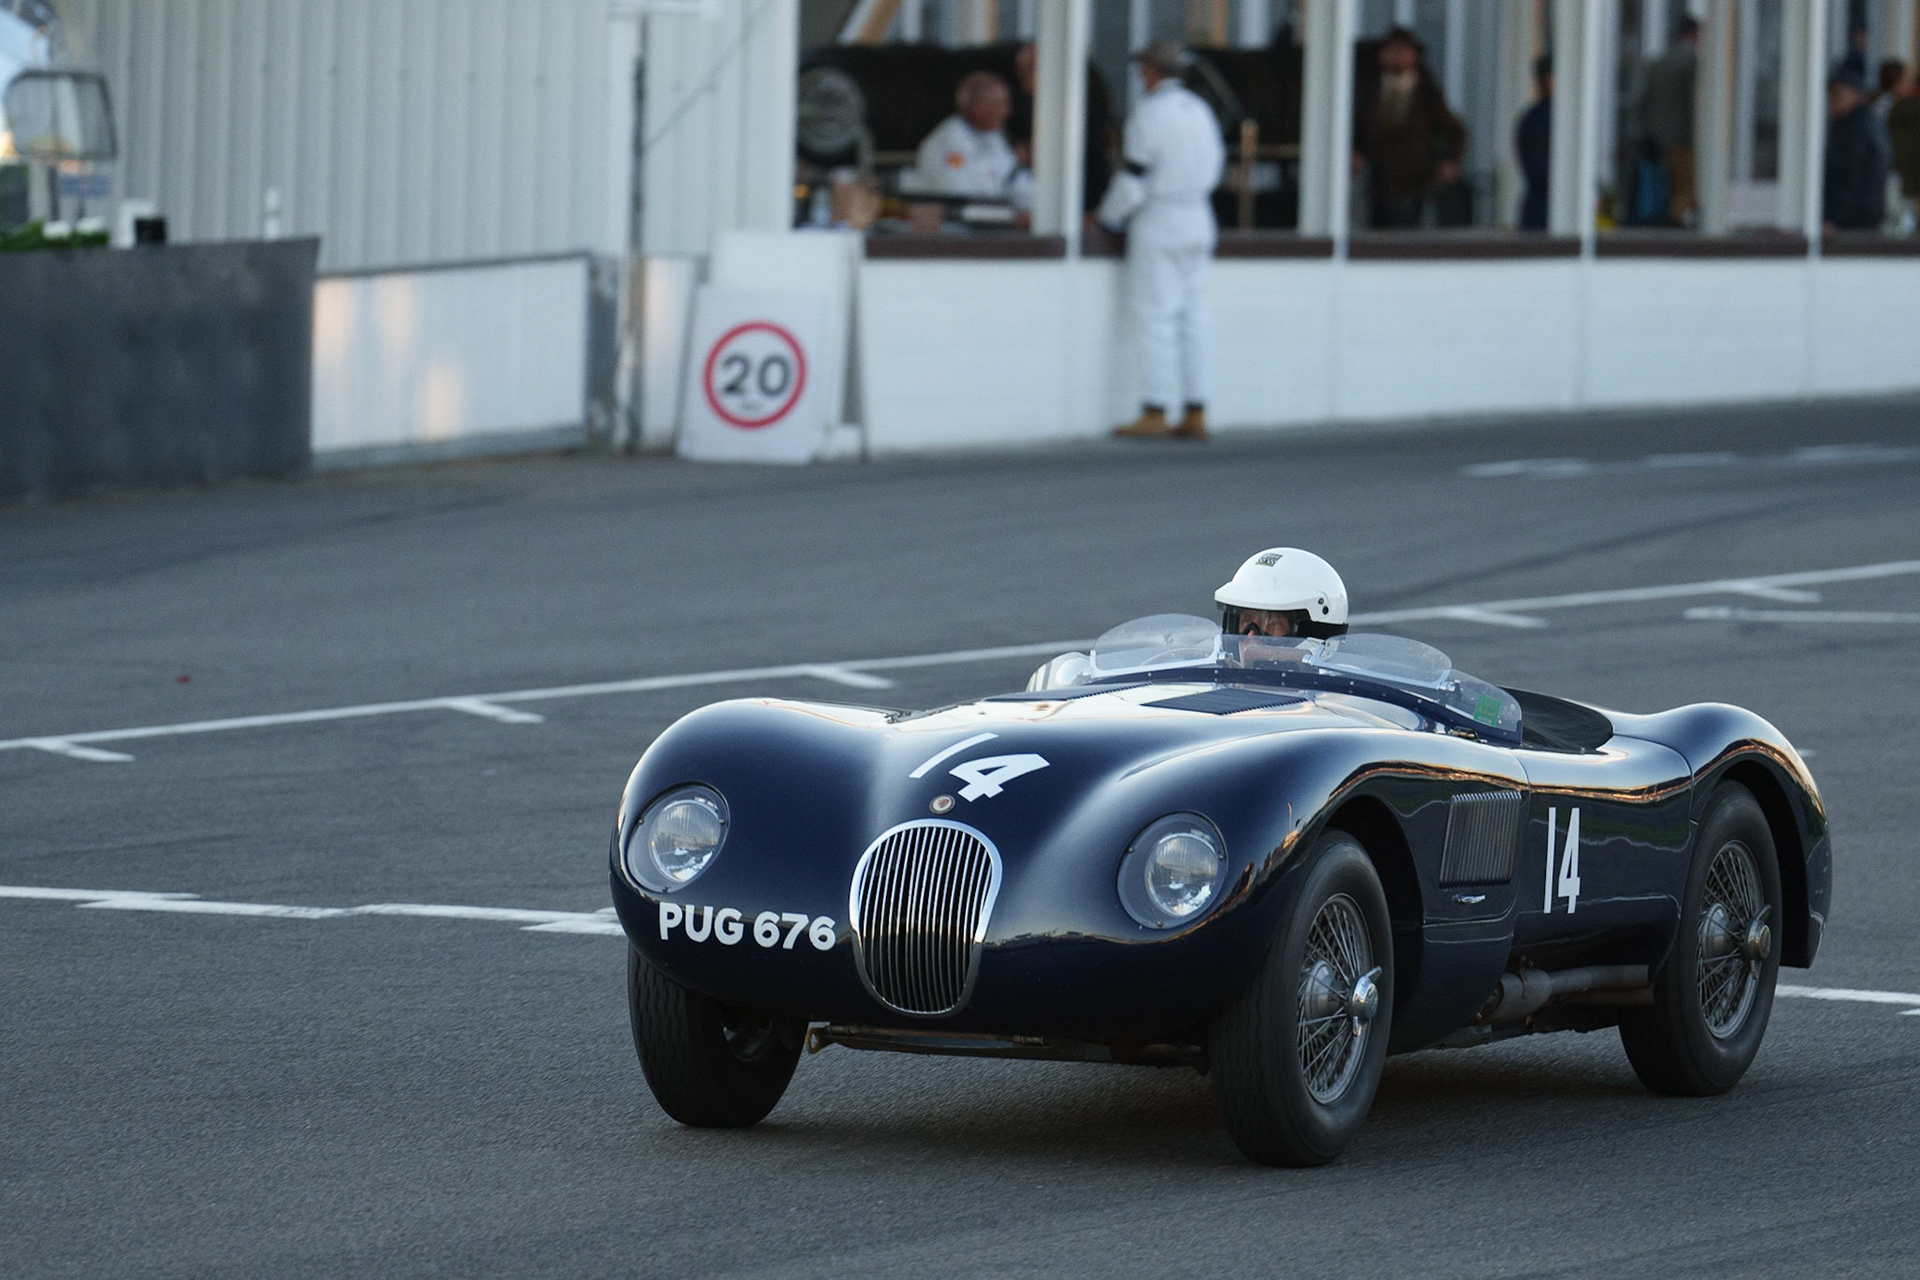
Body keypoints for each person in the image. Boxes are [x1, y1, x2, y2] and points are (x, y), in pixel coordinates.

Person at [1098, 38, 1226, 442]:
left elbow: (1134, 180)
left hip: (1161, 217)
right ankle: (1196, 408)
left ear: (1152, 70)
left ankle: (1155, 408)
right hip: (1199, 216)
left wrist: (1107, 217)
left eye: (1144, 68)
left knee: (1157, 316)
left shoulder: (1149, 113)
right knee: (1194, 316)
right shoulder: (1200, 110)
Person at [1351, 27, 1466, 230]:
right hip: (1376, 180)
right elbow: (1355, 126)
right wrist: (1355, 151)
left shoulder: (1426, 92)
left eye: (1403, 51)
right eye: (1391, 50)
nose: (1397, 56)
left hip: (1413, 181)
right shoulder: (1367, 89)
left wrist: (1451, 161)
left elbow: (1455, 130)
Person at [909, 71, 1021, 204]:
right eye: (998, 103)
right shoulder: (950, 140)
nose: (1006, 111)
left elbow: (1013, 180)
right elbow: (959, 197)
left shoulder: (994, 136)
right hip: (955, 215)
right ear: (977, 106)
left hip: (994, 212)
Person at [1640, 18, 1700, 226]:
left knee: (1666, 185)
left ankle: (1664, 221)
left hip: (1656, 137)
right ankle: (1677, 226)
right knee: (1684, 187)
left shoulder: (1658, 63)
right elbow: (1695, 102)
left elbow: (1644, 101)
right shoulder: (1691, 62)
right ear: (1695, 35)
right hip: (1681, 136)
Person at [1216, 547, 1349, 640]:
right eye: (1246, 621)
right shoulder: (1215, 673)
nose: (1250, 637)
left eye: (1272, 624)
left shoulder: (1344, 675)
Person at [1824, 70, 1890, 232]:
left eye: (1838, 95)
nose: (1831, 101)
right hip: (1860, 218)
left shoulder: (1857, 130)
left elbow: (1854, 178)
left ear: (1857, 95)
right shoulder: (1861, 123)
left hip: (1853, 222)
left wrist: (1834, 219)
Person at [1515, 55, 1553, 232]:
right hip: (1541, 214)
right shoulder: (1536, 120)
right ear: (1549, 80)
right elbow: (1538, 170)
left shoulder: (1538, 117)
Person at [1888, 64, 1920, 203]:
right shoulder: (1902, 108)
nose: (1910, 82)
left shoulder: (1891, 106)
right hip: (1904, 176)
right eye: (1906, 79)